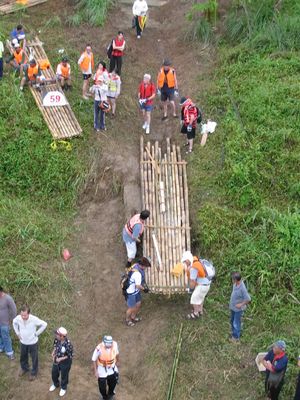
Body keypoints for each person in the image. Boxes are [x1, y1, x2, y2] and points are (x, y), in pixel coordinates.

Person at [13, 304, 47, 380]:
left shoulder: (34, 319)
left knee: (34, 358)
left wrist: (36, 333)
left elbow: (44, 324)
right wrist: (17, 333)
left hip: (33, 343)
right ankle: (24, 368)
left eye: (25, 315)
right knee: (23, 356)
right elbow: (14, 323)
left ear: (29, 313)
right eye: (22, 315)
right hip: (23, 342)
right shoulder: (18, 318)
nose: (23, 317)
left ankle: (34, 372)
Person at [181, 251, 213, 319]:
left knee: (193, 299)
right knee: (201, 298)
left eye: (185, 261)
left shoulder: (193, 268)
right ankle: (200, 311)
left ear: (187, 260)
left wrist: (190, 289)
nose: (185, 263)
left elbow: (192, 282)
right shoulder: (196, 261)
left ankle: (195, 313)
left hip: (202, 285)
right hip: (207, 284)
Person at [92, 335, 120, 400]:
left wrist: (118, 361)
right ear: (104, 342)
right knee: (102, 386)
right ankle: (104, 396)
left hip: (112, 368)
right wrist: (96, 371)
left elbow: (117, 353)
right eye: (107, 344)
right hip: (102, 369)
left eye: (110, 344)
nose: (109, 345)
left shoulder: (115, 345)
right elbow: (94, 359)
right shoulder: (99, 348)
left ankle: (110, 395)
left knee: (113, 383)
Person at [125, 257, 151, 326]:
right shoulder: (137, 274)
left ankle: (133, 317)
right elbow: (137, 286)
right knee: (131, 308)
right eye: (146, 266)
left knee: (138, 304)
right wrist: (144, 289)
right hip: (131, 292)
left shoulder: (135, 265)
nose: (146, 268)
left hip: (135, 291)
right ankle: (128, 320)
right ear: (142, 266)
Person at [49, 327, 73, 397]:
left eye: (57, 334)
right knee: (54, 373)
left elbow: (70, 355)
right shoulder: (57, 339)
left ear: (62, 336)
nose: (56, 335)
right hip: (56, 359)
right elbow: (55, 347)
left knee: (64, 375)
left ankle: (63, 388)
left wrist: (61, 359)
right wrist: (53, 352)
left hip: (66, 362)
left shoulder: (68, 344)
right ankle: (55, 384)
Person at [229, 272, 251, 342]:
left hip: (238, 309)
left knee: (236, 322)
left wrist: (241, 304)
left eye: (233, 279)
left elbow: (248, 299)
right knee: (232, 320)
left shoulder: (242, 288)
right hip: (233, 307)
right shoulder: (235, 284)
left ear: (236, 280)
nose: (232, 280)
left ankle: (236, 337)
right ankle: (234, 333)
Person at [0, 286, 17, 360]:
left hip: (5, 322)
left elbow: (14, 310)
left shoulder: (8, 298)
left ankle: (10, 352)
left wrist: (11, 320)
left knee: (6, 337)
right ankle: (1, 347)